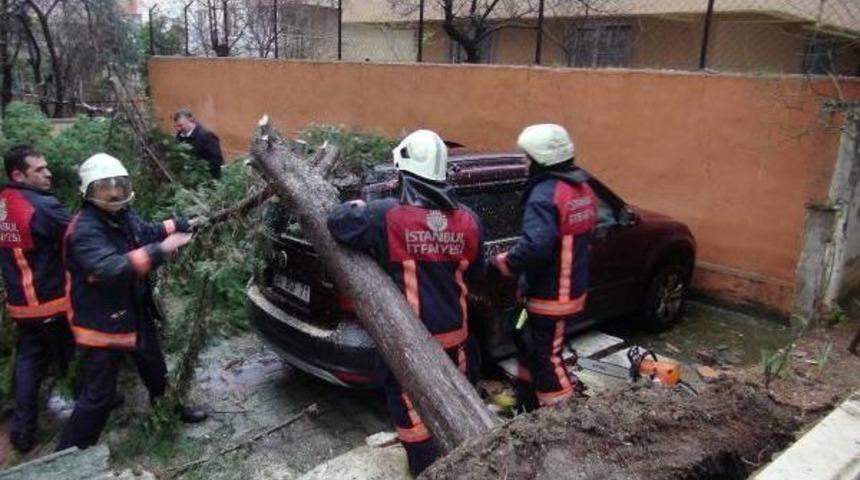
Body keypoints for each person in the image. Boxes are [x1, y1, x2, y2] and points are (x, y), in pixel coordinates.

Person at [327, 130, 484, 476]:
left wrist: (354, 206)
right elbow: (476, 276)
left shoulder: (386, 215)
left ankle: (427, 470)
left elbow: (336, 222)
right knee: (457, 406)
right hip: (458, 342)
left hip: (410, 345)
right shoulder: (470, 221)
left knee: (415, 422)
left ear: (404, 171)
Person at [56, 153, 207, 451]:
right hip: (100, 324)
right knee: (98, 395)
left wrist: (179, 223)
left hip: (133, 310)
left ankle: (168, 410)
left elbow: (145, 231)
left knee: (155, 367)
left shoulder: (121, 214)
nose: (114, 193)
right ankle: (69, 455)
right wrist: (161, 251)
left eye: (119, 186)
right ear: (88, 192)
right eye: (105, 188)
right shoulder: (85, 229)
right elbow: (111, 268)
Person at [489, 124, 597, 410]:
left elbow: (535, 247)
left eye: (527, 157)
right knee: (527, 345)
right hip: (567, 287)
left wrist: (502, 264)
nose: (525, 163)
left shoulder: (545, 194)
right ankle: (526, 402)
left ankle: (560, 418)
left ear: (540, 159)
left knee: (545, 356)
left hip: (549, 296)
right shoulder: (581, 187)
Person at [0, 145, 74, 453]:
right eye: (39, 170)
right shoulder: (43, 207)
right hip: (52, 301)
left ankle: (23, 431)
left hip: (20, 304)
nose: (49, 173)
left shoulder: (3, 204)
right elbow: (79, 236)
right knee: (73, 354)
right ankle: (96, 400)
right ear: (19, 174)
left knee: (29, 362)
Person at [173, 108, 224, 180]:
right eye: (176, 126)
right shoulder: (179, 137)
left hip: (207, 180)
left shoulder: (207, 136)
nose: (178, 129)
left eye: (180, 125)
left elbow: (216, 160)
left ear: (190, 120)